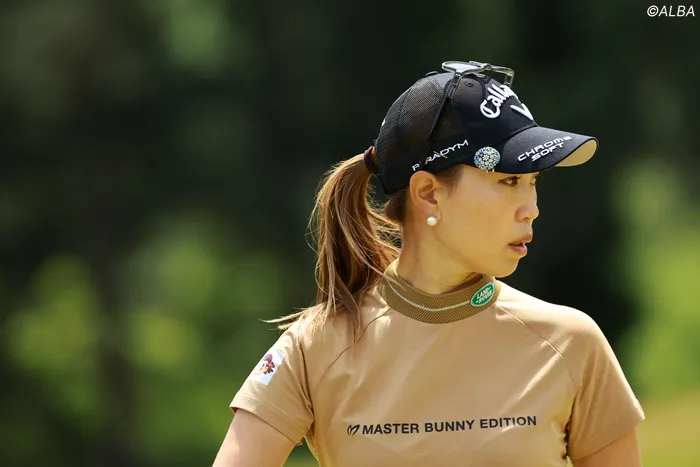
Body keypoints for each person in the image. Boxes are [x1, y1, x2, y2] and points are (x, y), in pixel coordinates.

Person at [212, 61, 645, 467]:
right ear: (428, 194)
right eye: (509, 179)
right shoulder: (316, 347)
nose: (530, 207)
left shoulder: (572, 344)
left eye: (532, 182)